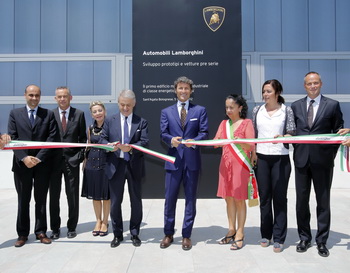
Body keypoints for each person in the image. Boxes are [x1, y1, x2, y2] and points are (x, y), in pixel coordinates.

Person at [291, 72, 343, 257]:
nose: (312, 86)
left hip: (323, 162)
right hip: (302, 161)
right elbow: (292, 130)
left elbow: (338, 132)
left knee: (323, 202)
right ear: (304, 86)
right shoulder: (296, 106)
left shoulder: (333, 105)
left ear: (321, 84)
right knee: (301, 202)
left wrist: (329, 154)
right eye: (309, 83)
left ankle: (322, 241)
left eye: (315, 83)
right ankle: (304, 238)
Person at [160, 76, 209, 251]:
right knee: (170, 199)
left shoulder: (199, 110)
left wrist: (194, 141)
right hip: (173, 162)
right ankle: (168, 234)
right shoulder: (166, 111)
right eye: (180, 88)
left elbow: (204, 132)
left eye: (186, 89)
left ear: (191, 91)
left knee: (190, 199)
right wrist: (170, 140)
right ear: (175, 90)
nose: (183, 91)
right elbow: (163, 133)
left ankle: (186, 235)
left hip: (192, 162)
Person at [8, 84, 60, 247]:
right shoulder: (14, 114)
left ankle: (41, 231)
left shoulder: (48, 114)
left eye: (37, 95)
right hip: (21, 165)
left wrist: (37, 158)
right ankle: (22, 234)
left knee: (41, 199)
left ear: (40, 96)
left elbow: (52, 138)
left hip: (42, 165)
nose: (34, 98)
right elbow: (12, 138)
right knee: (23, 200)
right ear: (25, 95)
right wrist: (24, 158)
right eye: (31, 95)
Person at [99, 89, 149, 248]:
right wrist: (108, 147)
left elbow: (145, 141)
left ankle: (135, 233)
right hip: (115, 166)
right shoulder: (109, 120)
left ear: (134, 104)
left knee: (136, 201)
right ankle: (117, 234)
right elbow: (102, 138)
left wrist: (132, 148)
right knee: (115, 202)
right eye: (122, 105)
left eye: (128, 105)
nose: (125, 108)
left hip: (134, 165)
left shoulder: (141, 121)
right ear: (118, 103)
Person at [251, 80, 296, 253]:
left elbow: (292, 131)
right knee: (265, 198)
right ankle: (265, 234)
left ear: (277, 93)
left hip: (280, 159)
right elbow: (253, 134)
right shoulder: (257, 110)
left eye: (268, 91)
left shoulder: (287, 110)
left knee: (279, 198)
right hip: (262, 158)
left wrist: (285, 135)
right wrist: (254, 152)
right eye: (264, 91)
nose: (265, 95)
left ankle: (279, 237)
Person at [214, 94, 254, 250]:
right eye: (226, 107)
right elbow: (216, 142)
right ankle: (231, 229)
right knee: (228, 198)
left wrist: (238, 141)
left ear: (240, 108)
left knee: (239, 199)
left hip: (240, 166)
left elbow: (250, 146)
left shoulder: (247, 123)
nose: (228, 110)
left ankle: (240, 232)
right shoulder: (224, 124)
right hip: (225, 165)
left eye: (231, 107)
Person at [49, 86, 87, 239]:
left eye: (65, 96)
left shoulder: (79, 114)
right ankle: (55, 229)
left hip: (72, 162)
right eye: (59, 96)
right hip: (53, 162)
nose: (62, 99)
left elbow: (83, 139)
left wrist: (79, 157)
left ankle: (72, 227)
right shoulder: (49, 115)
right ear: (55, 98)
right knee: (54, 196)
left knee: (72, 195)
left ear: (70, 97)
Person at [81, 101, 110, 236]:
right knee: (96, 196)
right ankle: (97, 220)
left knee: (106, 195)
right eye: (94, 112)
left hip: (106, 164)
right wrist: (84, 163)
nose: (98, 113)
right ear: (92, 114)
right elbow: (88, 145)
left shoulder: (110, 126)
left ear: (104, 111)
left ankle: (105, 221)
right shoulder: (90, 128)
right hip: (91, 164)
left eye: (100, 110)